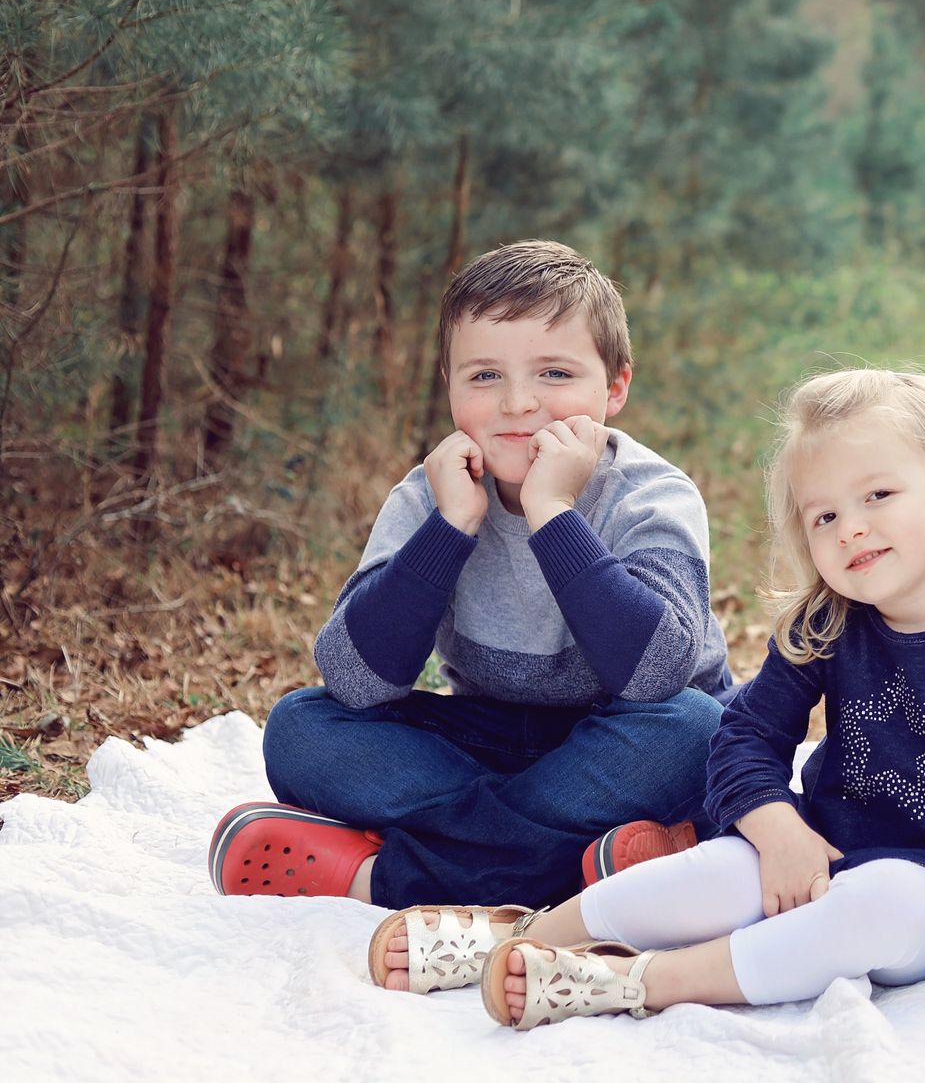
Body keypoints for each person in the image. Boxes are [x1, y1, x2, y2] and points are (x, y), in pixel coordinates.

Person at [365, 369, 925, 1027]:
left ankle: (644, 981)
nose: (852, 527)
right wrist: (779, 830)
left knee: (881, 905)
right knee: (717, 869)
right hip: (824, 848)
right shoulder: (828, 620)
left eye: (879, 496)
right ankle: (526, 934)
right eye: (823, 516)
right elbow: (741, 736)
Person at [208, 240, 733, 911]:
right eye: (484, 377)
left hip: (630, 737)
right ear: (450, 388)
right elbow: (356, 680)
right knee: (301, 728)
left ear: (617, 387)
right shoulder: (431, 497)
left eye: (555, 374)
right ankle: (587, 863)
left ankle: (389, 879)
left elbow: (656, 676)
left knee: (699, 728)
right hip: (487, 742)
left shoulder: (651, 495)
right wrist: (450, 529)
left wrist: (551, 511)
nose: (518, 403)